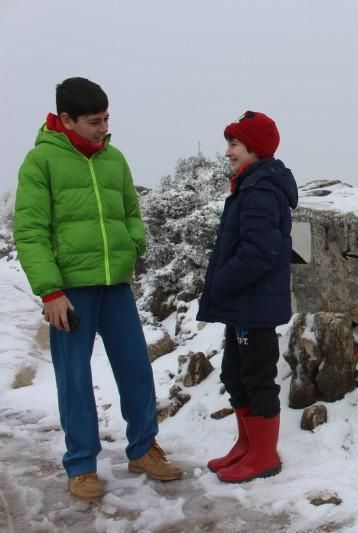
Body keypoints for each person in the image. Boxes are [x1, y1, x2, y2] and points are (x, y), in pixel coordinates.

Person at [13, 77, 182, 501]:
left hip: (115, 286)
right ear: (65, 120)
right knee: (74, 379)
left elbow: (130, 210)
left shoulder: (114, 159)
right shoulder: (40, 163)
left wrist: (133, 242)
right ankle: (81, 465)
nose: (103, 128)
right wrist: (50, 292)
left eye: (106, 118)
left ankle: (143, 449)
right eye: (93, 121)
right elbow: (30, 232)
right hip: (70, 290)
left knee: (136, 370)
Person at [197, 110, 298, 483]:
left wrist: (220, 283)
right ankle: (247, 446)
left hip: (254, 305)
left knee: (257, 377)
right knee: (235, 375)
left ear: (254, 148)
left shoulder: (262, 190)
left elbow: (259, 252)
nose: (228, 152)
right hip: (244, 303)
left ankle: (264, 454)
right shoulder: (249, 185)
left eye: (234, 144)